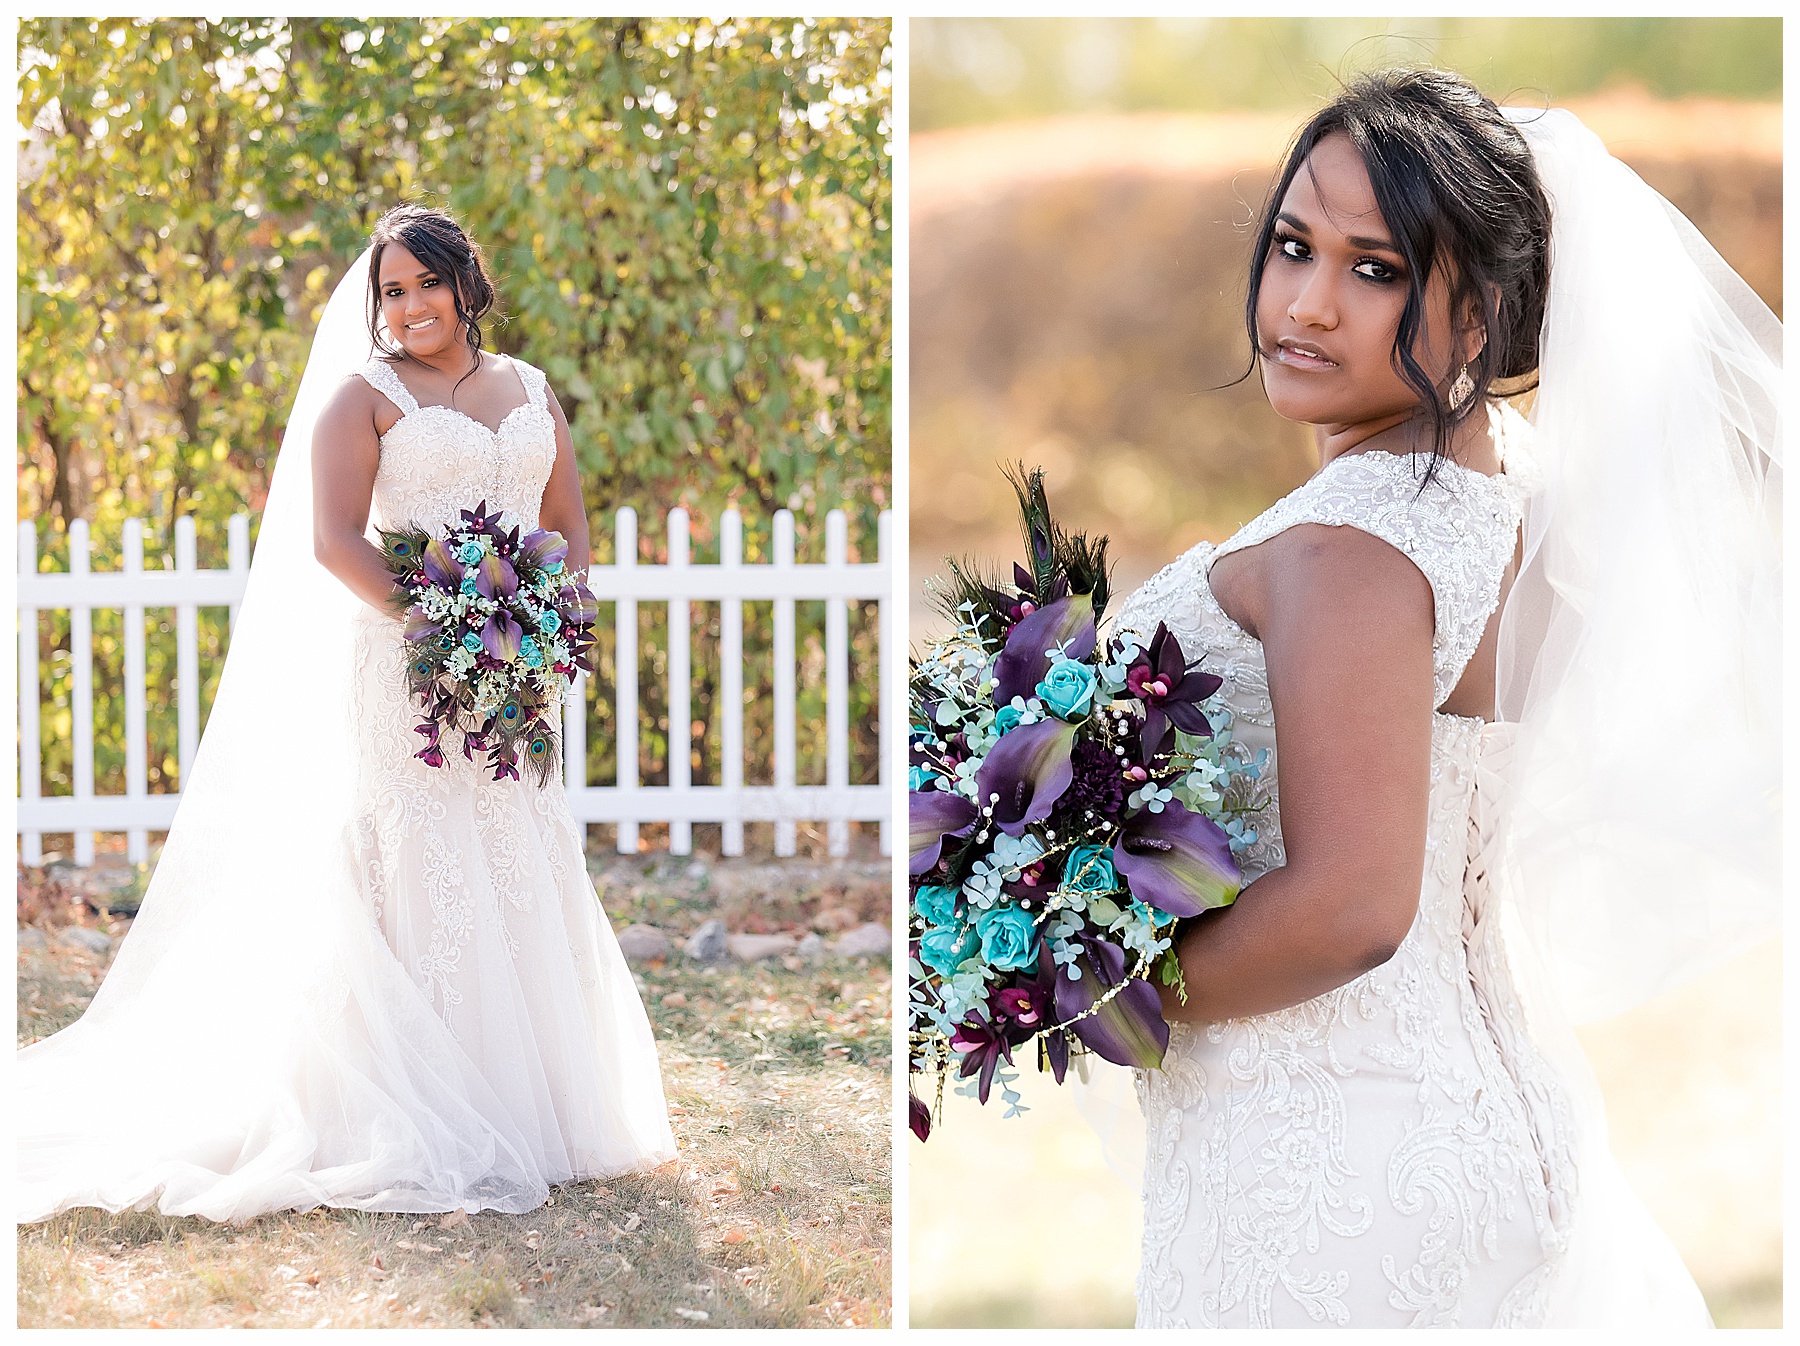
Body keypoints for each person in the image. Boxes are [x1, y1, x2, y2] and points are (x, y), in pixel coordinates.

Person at [1111, 70, 1779, 1328]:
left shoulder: (1349, 547)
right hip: (1478, 1120)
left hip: (1334, 1168)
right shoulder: (1505, 501)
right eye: (1295, 245)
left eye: (1377, 271)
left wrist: (1090, 988)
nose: (1306, 302)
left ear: (1478, 320)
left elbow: (1357, 903)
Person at [17, 206, 676, 1222]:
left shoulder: (531, 390)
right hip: (408, 665)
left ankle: (537, 1107)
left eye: (426, 283)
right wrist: (450, 628)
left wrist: (545, 626)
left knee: (514, 845)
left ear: (466, 281)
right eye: (391, 290)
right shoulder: (360, 401)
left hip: (518, 676)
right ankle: (413, 1108)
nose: (409, 307)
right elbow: (333, 541)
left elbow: (570, 524)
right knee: (419, 858)